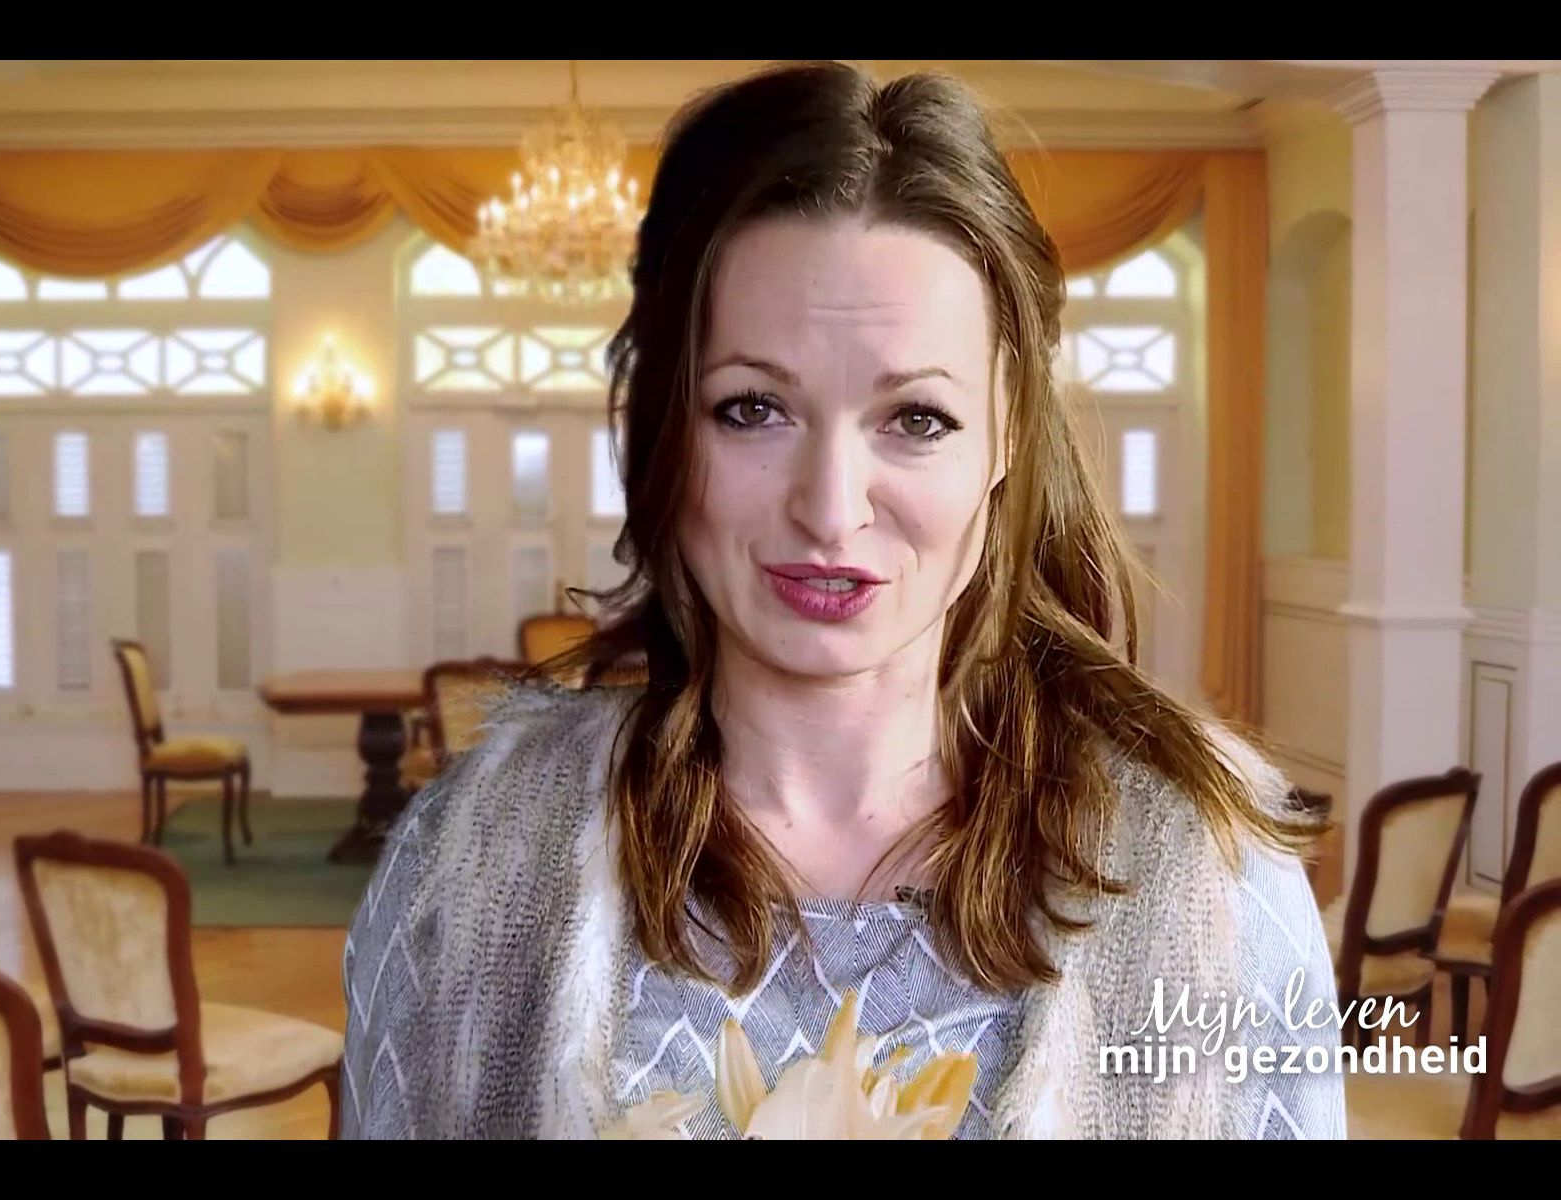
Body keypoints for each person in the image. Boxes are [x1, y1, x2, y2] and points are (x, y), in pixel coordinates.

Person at [340, 60, 1344, 1139]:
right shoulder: (473, 861)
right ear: (664, 428)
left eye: (916, 419)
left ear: (1008, 436)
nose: (829, 509)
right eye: (752, 408)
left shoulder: (1209, 884)